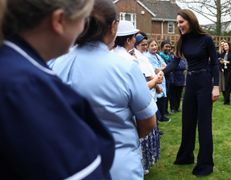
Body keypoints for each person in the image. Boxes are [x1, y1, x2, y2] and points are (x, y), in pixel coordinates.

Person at [0, 0, 115, 179]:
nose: (84, 28)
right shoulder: (25, 88)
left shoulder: (14, 71)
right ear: (59, 21)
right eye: (84, 19)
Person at [51, 5, 157, 180]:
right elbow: (148, 121)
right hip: (119, 165)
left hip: (72, 164)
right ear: (113, 26)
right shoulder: (126, 67)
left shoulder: (56, 64)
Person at [173, 9, 220, 176]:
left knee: (204, 125)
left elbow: (215, 63)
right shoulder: (182, 41)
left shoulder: (206, 39)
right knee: (187, 121)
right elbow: (174, 63)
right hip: (190, 83)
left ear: (190, 21)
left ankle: (205, 164)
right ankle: (186, 156)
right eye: (177, 22)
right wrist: (159, 74)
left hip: (205, 83)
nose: (179, 25)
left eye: (181, 22)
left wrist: (216, 86)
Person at [134, 33, 162, 174]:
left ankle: (145, 163)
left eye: (146, 43)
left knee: (150, 133)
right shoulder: (137, 58)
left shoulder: (143, 56)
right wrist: (157, 84)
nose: (145, 46)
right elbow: (148, 76)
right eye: (143, 44)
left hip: (151, 96)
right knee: (146, 134)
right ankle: (143, 164)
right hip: (145, 97)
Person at [145, 39, 172, 122]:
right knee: (157, 100)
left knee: (162, 99)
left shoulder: (157, 55)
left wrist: (161, 68)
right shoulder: (147, 56)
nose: (154, 47)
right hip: (154, 80)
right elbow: (155, 70)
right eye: (152, 45)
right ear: (148, 47)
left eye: (155, 45)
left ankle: (162, 117)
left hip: (161, 79)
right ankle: (159, 118)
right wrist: (161, 68)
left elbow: (165, 65)